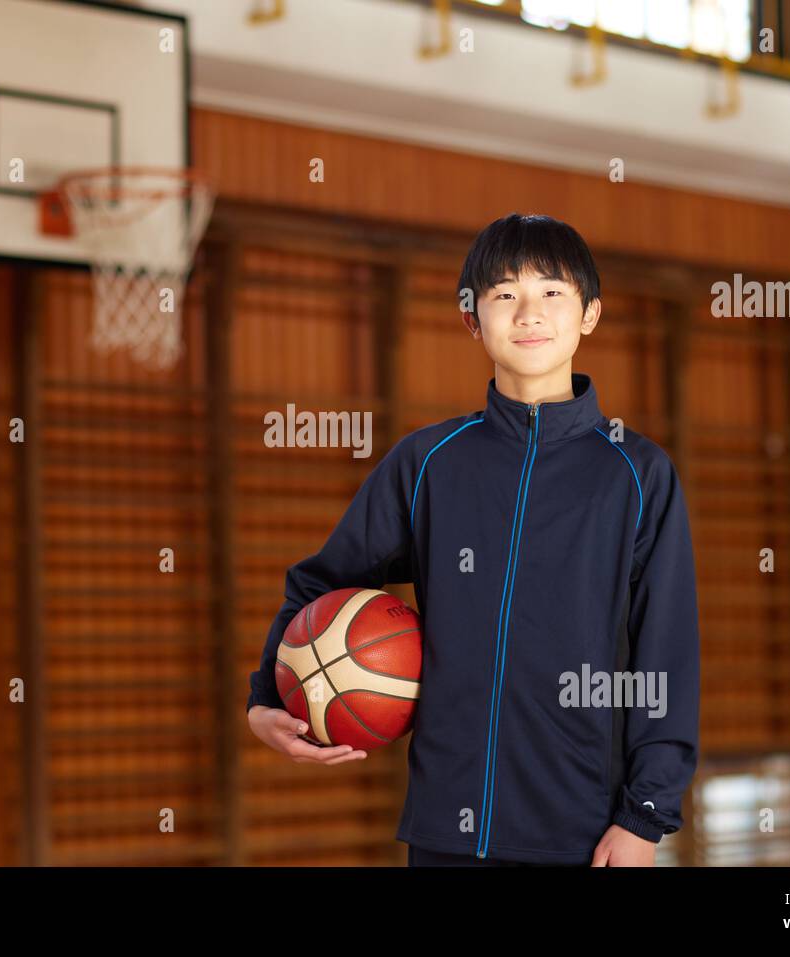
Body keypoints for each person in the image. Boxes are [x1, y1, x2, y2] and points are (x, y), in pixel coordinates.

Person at [246, 214, 700, 867]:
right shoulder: (428, 461)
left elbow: (667, 654)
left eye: (552, 292)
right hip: (443, 832)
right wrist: (267, 696)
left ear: (590, 314)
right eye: (503, 294)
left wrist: (645, 817)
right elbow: (320, 580)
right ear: (471, 318)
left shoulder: (636, 471)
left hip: (584, 835)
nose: (528, 313)